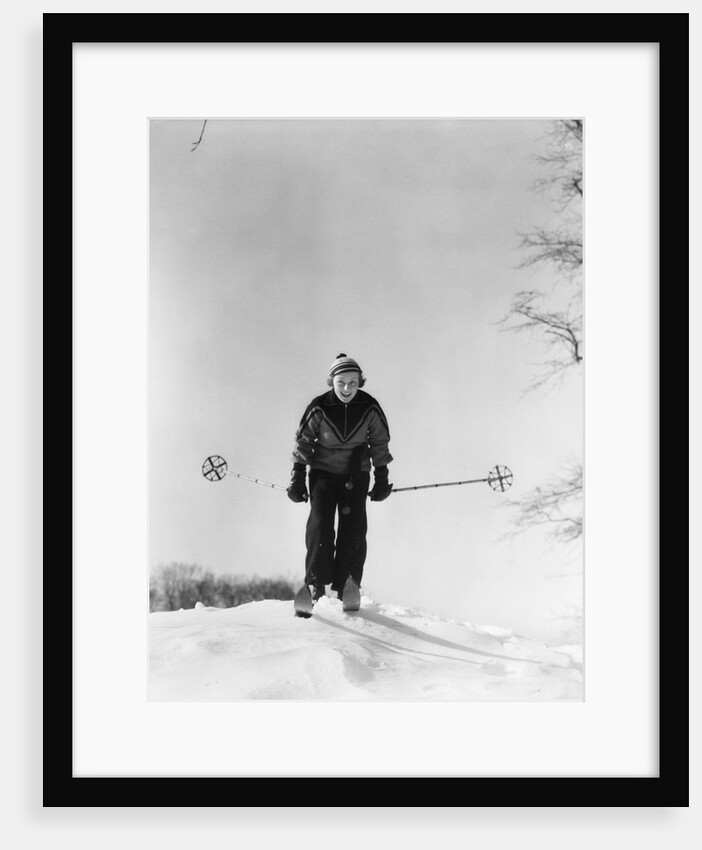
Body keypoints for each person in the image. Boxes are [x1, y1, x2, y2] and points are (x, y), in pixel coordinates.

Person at [287, 354, 393, 611]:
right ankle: (316, 585)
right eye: (341, 382)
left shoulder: (369, 406)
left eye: (353, 383)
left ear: (360, 383)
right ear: (331, 381)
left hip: (356, 474)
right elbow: (303, 442)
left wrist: (381, 478)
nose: (347, 389)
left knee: (354, 529)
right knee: (320, 525)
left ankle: (348, 584)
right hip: (323, 474)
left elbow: (379, 442)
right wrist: (298, 478)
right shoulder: (319, 406)